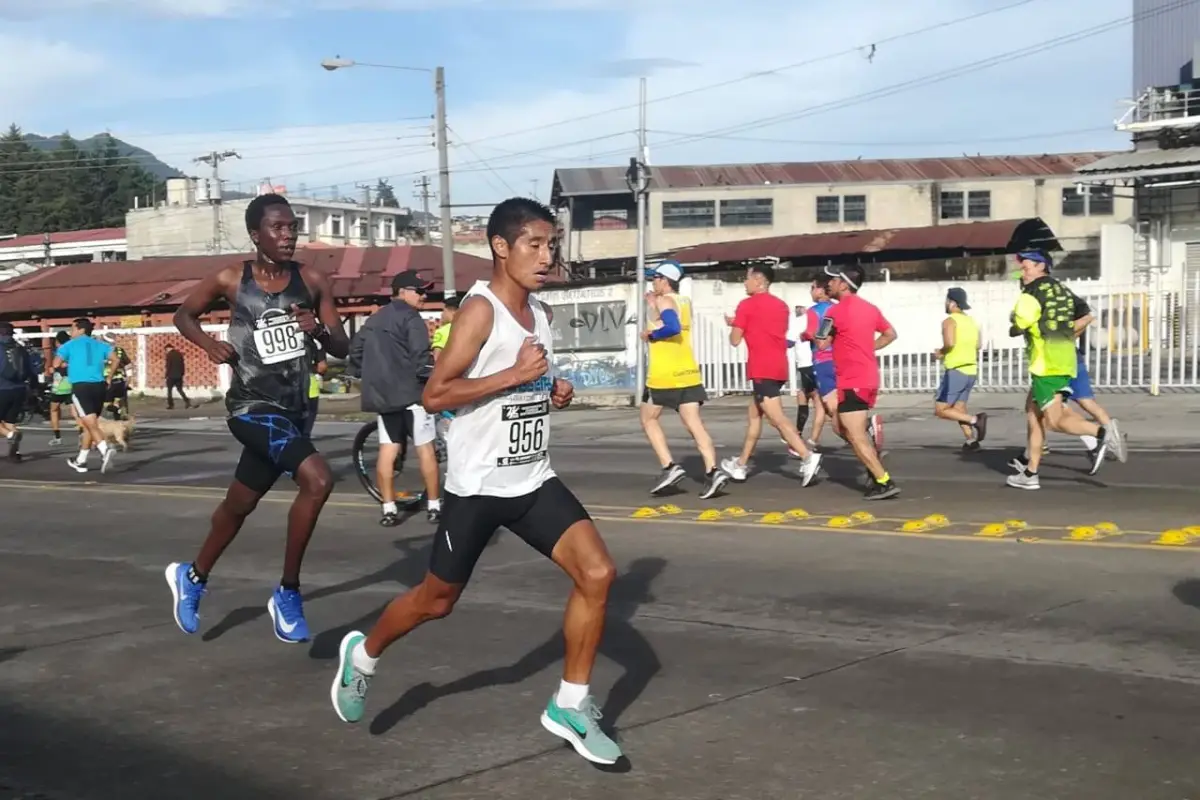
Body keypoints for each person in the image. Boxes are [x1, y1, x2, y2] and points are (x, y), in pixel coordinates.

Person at [329, 197, 623, 766]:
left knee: (599, 573)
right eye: (534, 245)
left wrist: (551, 392)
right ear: (500, 247)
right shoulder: (479, 311)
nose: (546, 256)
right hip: (478, 488)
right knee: (436, 602)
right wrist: (515, 374)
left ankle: (570, 703)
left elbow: (526, 384)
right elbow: (437, 394)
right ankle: (362, 656)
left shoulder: (541, 314)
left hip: (533, 479)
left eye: (551, 245)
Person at [164, 193, 350, 642]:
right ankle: (287, 592)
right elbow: (183, 314)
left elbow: (342, 347)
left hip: (296, 411)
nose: (288, 235)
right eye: (278, 228)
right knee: (319, 480)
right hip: (251, 406)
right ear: (256, 235)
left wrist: (318, 330)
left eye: (292, 227)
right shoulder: (232, 278)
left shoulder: (313, 281)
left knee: (240, 504)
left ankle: (192, 576)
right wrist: (209, 346)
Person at [1005, 250, 1122, 490]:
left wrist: (1015, 321)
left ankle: (1101, 434)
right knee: (1032, 414)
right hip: (1065, 359)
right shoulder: (1062, 290)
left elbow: (1018, 325)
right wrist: (1067, 334)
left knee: (1054, 420)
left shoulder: (1031, 294)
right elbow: (1086, 315)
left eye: (1025, 267)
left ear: (1041, 267)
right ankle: (1030, 473)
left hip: (1046, 364)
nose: (1022, 272)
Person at [349, 270, 441, 526]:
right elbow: (421, 356)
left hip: (383, 398)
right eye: (420, 291)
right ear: (402, 292)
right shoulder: (411, 318)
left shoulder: (374, 320)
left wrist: (359, 371)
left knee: (388, 451)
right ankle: (434, 505)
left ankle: (388, 509)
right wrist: (431, 378)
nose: (424, 296)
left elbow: (355, 349)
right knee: (425, 450)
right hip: (412, 396)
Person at [719, 264, 822, 486]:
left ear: (759, 281)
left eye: (746, 278)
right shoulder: (781, 306)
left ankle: (807, 455)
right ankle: (741, 464)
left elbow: (735, 340)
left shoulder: (746, 305)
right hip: (778, 366)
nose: (744, 283)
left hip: (761, 367)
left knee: (776, 418)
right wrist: (741, 323)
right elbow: (766, 328)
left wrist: (736, 324)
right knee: (755, 415)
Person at [639, 259, 729, 499]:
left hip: (664, 376)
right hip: (688, 373)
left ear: (664, 281)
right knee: (694, 424)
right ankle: (712, 471)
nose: (652, 282)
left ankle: (669, 467)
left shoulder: (664, 300)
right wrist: (653, 306)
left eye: (655, 278)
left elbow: (672, 327)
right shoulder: (684, 301)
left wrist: (651, 334)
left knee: (648, 419)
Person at [815, 264, 900, 500]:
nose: (827, 284)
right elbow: (891, 334)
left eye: (831, 281)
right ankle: (872, 454)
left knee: (855, 434)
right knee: (839, 427)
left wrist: (813, 327)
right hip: (866, 378)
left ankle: (883, 481)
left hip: (852, 380)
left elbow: (821, 343)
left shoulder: (834, 312)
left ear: (843, 284)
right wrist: (868, 349)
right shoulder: (870, 308)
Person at [54, 318, 121, 474]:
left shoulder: (68, 345)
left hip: (81, 386)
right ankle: (81, 460)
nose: (71, 332)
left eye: (73, 328)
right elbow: (115, 359)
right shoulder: (100, 344)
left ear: (81, 329)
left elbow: (57, 364)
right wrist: (109, 376)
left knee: (90, 423)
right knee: (89, 424)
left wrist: (69, 365)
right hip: (99, 386)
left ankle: (105, 450)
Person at [1066, 295, 1124, 470]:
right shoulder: (1075, 320)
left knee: (1052, 410)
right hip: (1073, 359)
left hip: (1060, 363)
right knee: (1085, 401)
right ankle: (1113, 441)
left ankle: (1098, 439)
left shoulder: (1059, 318)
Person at [932, 288, 988, 450]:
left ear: (952, 303)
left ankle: (976, 420)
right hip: (971, 370)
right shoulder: (972, 321)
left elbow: (949, 342)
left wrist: (940, 353)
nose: (945, 303)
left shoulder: (949, 321)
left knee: (941, 410)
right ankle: (971, 440)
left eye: (946, 300)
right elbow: (978, 345)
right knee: (959, 408)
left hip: (956, 370)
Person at [785, 303, 820, 456]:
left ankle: (810, 440)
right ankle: (799, 436)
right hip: (809, 364)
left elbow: (789, 343)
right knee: (803, 396)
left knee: (819, 402)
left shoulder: (797, 322)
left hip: (807, 364)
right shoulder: (813, 319)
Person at [0, 322, 35, 462]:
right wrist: (33, 388)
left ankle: (10, 436)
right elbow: (31, 371)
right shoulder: (20, 348)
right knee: (10, 421)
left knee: (7, 427)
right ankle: (15, 453)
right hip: (19, 389)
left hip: (1, 388)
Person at [46, 330, 75, 445]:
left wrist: (54, 369)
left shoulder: (60, 352)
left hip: (59, 386)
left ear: (57, 342)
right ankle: (82, 434)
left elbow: (55, 366)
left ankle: (57, 437)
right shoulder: (73, 352)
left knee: (53, 410)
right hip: (72, 384)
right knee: (75, 412)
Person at [302, 345, 327, 437]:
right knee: (306, 428)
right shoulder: (315, 342)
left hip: (286, 386)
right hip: (310, 388)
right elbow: (322, 367)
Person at [430, 295, 459, 360]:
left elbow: (437, 357)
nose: (442, 314)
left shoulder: (443, 331)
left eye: (444, 311)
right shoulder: (469, 328)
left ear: (452, 312)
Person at [164, 345, 192, 410]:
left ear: (168, 348)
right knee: (180, 389)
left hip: (171, 375)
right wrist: (182, 373)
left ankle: (171, 405)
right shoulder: (179, 354)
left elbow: (168, 366)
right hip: (179, 375)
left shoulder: (169, 355)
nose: (166, 351)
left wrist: (166, 375)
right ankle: (187, 402)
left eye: (166, 350)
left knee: (169, 391)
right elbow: (182, 365)